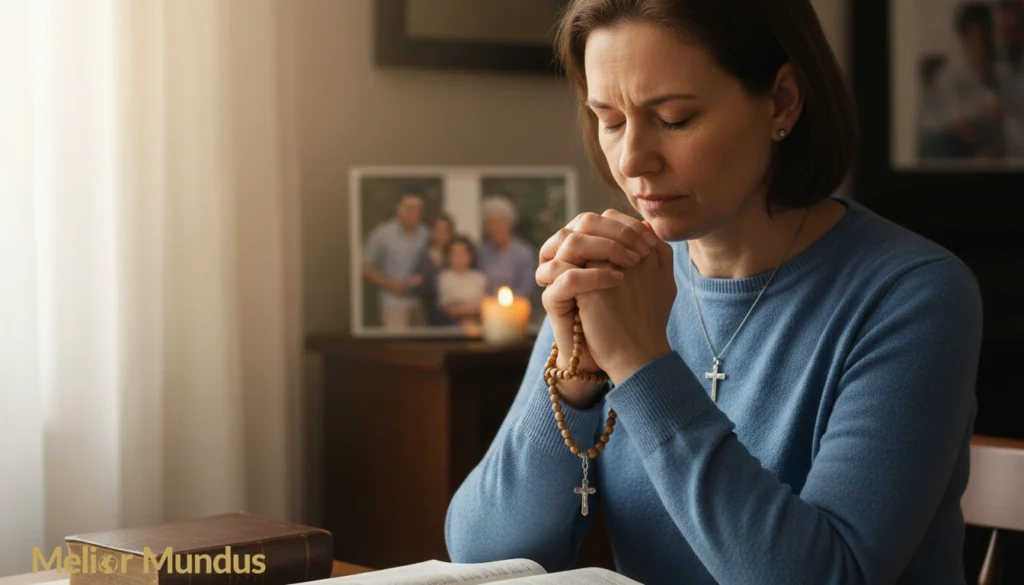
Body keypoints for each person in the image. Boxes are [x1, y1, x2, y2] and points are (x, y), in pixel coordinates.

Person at [445, 1, 983, 584]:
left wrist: (641, 362)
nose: (632, 161)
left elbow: (829, 577)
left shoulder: (913, 294)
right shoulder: (617, 276)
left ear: (782, 101)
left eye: (674, 119)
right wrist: (574, 377)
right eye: (610, 119)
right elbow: (481, 556)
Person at [361, 192, 429, 329]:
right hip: (392, 303)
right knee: (398, 345)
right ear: (398, 209)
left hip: (419, 303)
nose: (413, 213)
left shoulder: (426, 234)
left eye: (417, 209)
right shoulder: (381, 234)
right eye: (409, 208)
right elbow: (365, 268)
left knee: (421, 346)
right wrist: (391, 285)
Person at [476, 195, 537, 301]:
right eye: (491, 223)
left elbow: (527, 288)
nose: (495, 228)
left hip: (517, 308)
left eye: (499, 222)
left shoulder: (523, 253)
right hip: (487, 308)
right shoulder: (481, 252)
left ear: (510, 224)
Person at [411, 214, 457, 325]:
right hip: (431, 313)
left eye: (445, 231)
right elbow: (418, 287)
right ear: (432, 232)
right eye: (437, 231)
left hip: (456, 313)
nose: (441, 235)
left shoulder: (457, 253)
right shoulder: (424, 256)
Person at [436, 235, 488, 327]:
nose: (458, 257)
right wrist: (468, 310)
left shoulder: (480, 278)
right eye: (454, 254)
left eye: (462, 253)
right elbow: (447, 308)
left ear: (470, 256)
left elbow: (483, 306)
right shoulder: (444, 278)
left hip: (478, 323)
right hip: (450, 324)